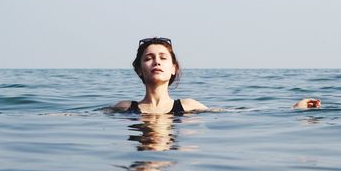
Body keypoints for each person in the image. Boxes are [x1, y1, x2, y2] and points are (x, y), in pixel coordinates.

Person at [114, 37, 321, 115]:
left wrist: (294, 109)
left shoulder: (188, 106)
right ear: (140, 69)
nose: (156, 62)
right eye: (149, 58)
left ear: (173, 68)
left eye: (163, 57)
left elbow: (236, 112)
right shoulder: (125, 108)